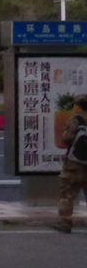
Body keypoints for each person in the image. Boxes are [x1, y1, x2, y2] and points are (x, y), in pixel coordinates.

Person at [54, 95, 87, 233]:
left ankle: (65, 223)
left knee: (67, 194)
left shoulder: (75, 120)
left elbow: (66, 138)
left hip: (74, 164)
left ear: (78, 106)